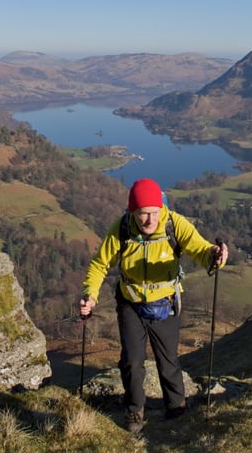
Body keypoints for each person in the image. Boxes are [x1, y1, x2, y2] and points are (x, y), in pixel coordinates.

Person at [79, 178, 228, 432]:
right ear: (132, 212)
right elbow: (99, 264)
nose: (149, 220)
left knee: (167, 360)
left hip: (166, 304)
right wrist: (90, 296)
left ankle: (176, 408)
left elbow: (202, 250)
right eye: (142, 214)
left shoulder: (174, 224)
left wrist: (216, 256)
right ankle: (135, 411)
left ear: (161, 208)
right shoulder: (122, 229)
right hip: (130, 303)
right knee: (131, 361)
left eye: (154, 213)